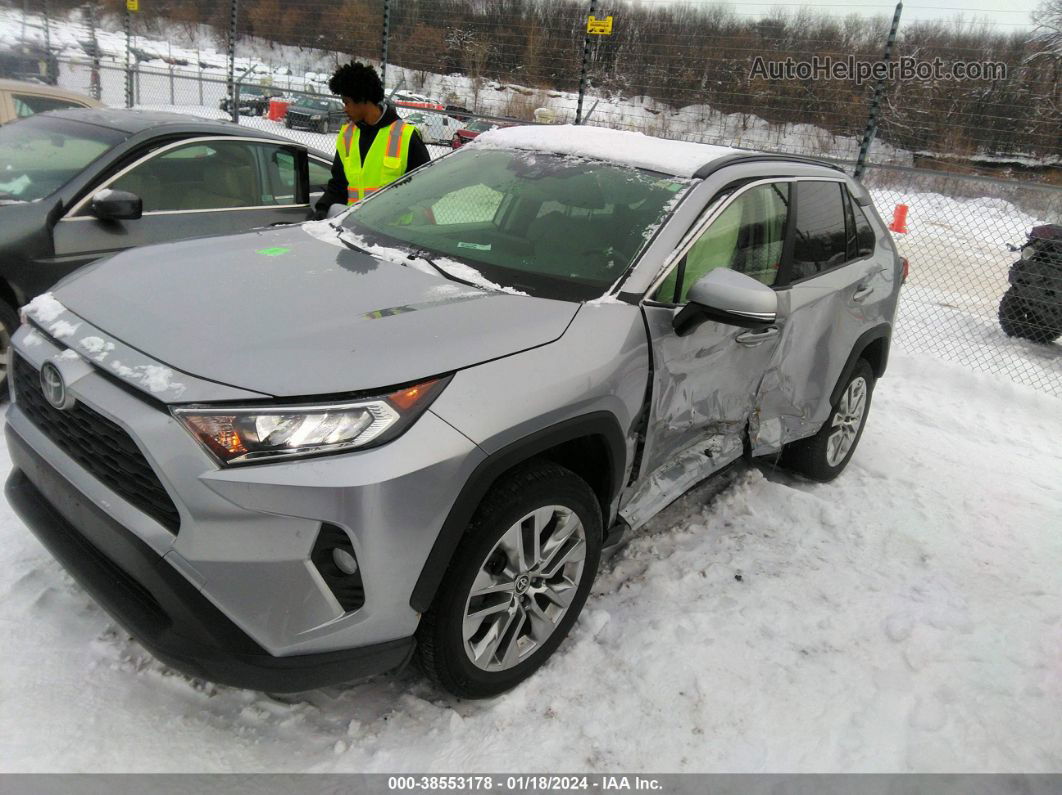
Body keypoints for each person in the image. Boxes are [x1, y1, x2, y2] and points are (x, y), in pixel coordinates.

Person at [313, 61, 431, 218]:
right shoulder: (348, 135)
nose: (344, 108)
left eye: (347, 102)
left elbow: (426, 189)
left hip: (392, 233)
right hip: (353, 228)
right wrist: (323, 208)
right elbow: (339, 184)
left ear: (362, 99)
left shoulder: (406, 136)